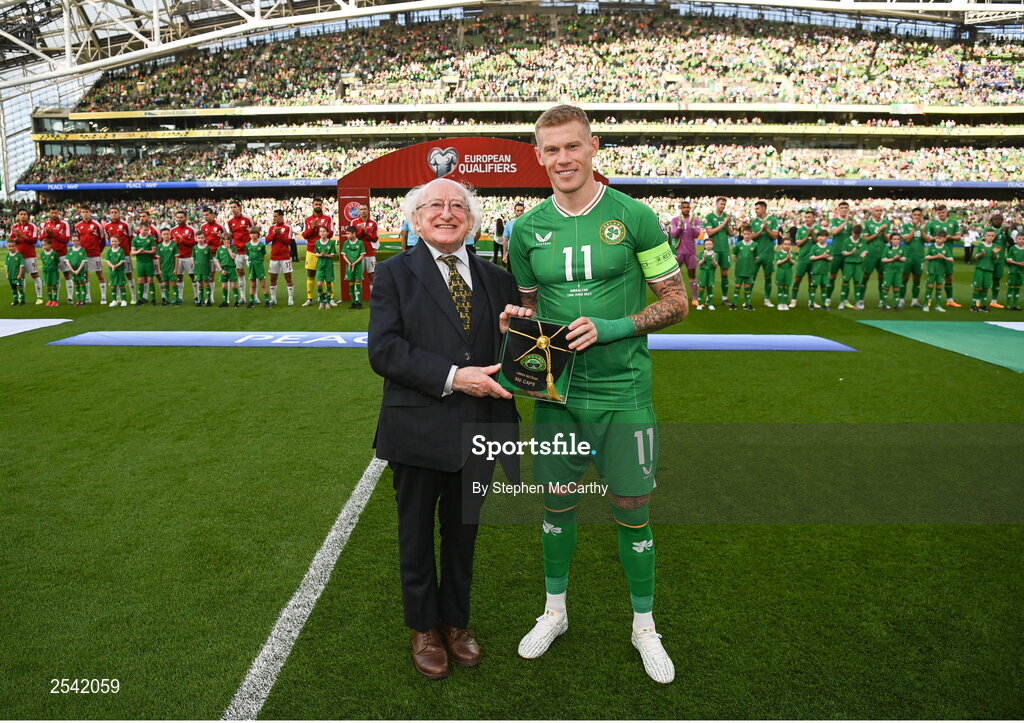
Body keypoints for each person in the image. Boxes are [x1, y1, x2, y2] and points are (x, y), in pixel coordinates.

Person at [510, 105, 687, 685]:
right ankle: (554, 612)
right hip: (557, 395)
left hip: (623, 391)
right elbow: (532, 309)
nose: (563, 159)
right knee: (556, 504)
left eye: (572, 147)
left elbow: (678, 302)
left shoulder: (635, 217)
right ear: (538, 155)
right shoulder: (526, 229)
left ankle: (645, 627)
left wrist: (612, 327)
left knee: (631, 511)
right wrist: (519, 321)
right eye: (551, 149)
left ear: (592, 147)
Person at [367, 177, 527, 681]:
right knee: (415, 537)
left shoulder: (497, 278)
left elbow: (512, 358)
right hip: (416, 431)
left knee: (463, 536)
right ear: (415, 220)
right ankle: (423, 629)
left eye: (458, 206)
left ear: (472, 220)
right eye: (434, 205)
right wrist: (456, 378)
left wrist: (511, 338)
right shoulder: (393, 273)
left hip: (477, 433)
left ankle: (455, 624)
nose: (446, 212)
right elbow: (384, 351)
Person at [924, 204, 962, 308]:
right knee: (933, 278)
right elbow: (927, 238)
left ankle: (950, 300)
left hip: (947, 253)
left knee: (949, 277)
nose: (941, 214)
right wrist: (938, 238)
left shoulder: (953, 223)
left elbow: (959, 237)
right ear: (937, 213)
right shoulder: (932, 224)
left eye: (943, 212)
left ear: (947, 212)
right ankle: (929, 300)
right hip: (935, 255)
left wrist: (950, 237)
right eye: (939, 212)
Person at [302, 199, 334, 307]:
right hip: (311, 250)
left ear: (322, 206)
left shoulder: (327, 219)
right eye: (316, 204)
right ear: (312, 205)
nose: (318, 206)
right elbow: (305, 235)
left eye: (320, 204)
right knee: (311, 274)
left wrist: (322, 230)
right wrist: (312, 228)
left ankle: (331, 298)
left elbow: (331, 233)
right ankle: (310, 298)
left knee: (328, 275)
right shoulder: (307, 220)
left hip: (325, 251)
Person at [704, 196, 734, 308]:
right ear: (716, 204)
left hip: (725, 249)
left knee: (725, 274)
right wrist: (723, 224)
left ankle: (725, 298)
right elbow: (710, 232)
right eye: (721, 204)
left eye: (724, 204)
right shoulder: (710, 217)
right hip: (713, 249)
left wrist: (727, 224)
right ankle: (709, 297)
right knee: (710, 273)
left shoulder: (726, 217)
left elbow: (731, 233)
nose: (723, 206)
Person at [669, 200, 700, 303]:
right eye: (684, 207)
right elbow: (674, 234)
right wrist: (679, 226)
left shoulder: (695, 220)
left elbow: (697, 235)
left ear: (690, 209)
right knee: (674, 275)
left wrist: (692, 226)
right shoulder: (675, 220)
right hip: (679, 252)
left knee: (692, 274)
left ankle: (695, 298)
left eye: (687, 207)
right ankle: (674, 297)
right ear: (681, 209)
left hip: (691, 252)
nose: (686, 209)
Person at [104, 207, 136, 304]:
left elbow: (130, 238)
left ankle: (134, 297)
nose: (114, 214)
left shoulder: (125, 225)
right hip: (113, 256)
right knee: (115, 276)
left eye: (115, 212)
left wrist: (130, 250)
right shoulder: (106, 226)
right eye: (112, 212)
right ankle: (117, 298)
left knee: (128, 275)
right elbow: (108, 239)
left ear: (119, 213)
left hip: (125, 254)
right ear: (109, 214)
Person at [10, 208, 42, 305]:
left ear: (28, 216)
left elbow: (34, 240)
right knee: (20, 277)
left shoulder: (33, 226)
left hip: (30, 255)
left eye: (25, 214)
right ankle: (22, 298)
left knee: (35, 275)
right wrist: (16, 237)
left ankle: (39, 297)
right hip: (18, 256)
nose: (23, 216)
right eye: (21, 214)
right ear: (18, 216)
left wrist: (21, 235)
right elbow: (11, 241)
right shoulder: (14, 227)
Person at [791, 208, 822, 309]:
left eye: (809, 217)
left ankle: (811, 301)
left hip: (814, 259)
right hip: (803, 258)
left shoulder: (818, 229)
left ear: (814, 218)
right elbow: (798, 244)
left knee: (812, 280)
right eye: (806, 217)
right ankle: (793, 300)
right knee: (797, 278)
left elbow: (819, 243)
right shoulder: (800, 229)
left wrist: (812, 235)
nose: (807, 219)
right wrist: (807, 236)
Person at [750, 200, 779, 308]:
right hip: (756, 253)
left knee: (768, 277)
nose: (756, 211)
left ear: (764, 208)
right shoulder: (753, 222)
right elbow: (751, 236)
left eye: (757, 208)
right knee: (751, 276)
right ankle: (747, 299)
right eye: (755, 209)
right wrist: (761, 230)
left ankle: (767, 299)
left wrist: (766, 229)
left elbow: (775, 236)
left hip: (768, 253)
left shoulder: (773, 220)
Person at [42, 207, 74, 303]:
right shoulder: (46, 224)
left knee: (67, 275)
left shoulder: (64, 224)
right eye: (52, 213)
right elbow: (42, 237)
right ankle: (55, 299)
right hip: (50, 255)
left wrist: (54, 233)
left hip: (62, 254)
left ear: (58, 213)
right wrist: (48, 234)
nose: (54, 214)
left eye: (56, 213)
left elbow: (66, 239)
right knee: (54, 277)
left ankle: (70, 297)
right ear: (49, 213)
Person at [76, 206, 107, 304]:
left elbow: (102, 239)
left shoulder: (97, 225)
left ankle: (103, 297)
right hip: (83, 255)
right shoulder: (78, 225)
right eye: (83, 212)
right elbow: (78, 239)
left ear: (90, 213)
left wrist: (99, 250)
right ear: (81, 213)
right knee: (85, 276)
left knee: (100, 275)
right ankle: (88, 297)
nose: (85, 213)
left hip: (95, 254)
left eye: (87, 212)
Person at [227, 201, 257, 305]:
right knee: (240, 273)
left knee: (253, 274)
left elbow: (255, 231)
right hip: (238, 252)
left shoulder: (247, 219)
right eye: (231, 207)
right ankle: (243, 297)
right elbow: (231, 235)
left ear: (240, 207)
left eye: (234, 207)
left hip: (248, 252)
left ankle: (255, 296)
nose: (233, 209)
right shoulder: (230, 221)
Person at [861, 205, 891, 308]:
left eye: (880, 210)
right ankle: (860, 299)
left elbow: (888, 240)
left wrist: (883, 232)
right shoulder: (868, 223)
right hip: (870, 253)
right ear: (873, 212)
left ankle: (882, 301)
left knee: (882, 277)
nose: (879, 212)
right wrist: (878, 232)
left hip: (883, 253)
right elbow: (865, 239)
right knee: (865, 276)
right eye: (877, 210)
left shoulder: (886, 223)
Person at [266, 209, 295, 306]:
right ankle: (273, 299)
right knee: (273, 278)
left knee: (288, 277)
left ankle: (290, 299)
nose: (274, 218)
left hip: (285, 256)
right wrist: (274, 234)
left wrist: (280, 234)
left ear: (281, 216)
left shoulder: (287, 227)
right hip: (274, 257)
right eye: (273, 216)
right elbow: (267, 240)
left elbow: (288, 241)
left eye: (275, 216)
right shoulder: (271, 228)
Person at [900, 207, 927, 309]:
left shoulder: (924, 227)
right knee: (904, 278)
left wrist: (922, 230)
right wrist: (915, 228)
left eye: (918, 215)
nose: (916, 216)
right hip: (907, 256)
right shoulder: (906, 226)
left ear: (921, 216)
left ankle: (915, 301)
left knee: (917, 279)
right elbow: (906, 240)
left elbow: (928, 240)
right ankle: (901, 300)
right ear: (911, 216)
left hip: (919, 257)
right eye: (915, 215)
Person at [171, 210, 198, 305]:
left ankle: (196, 297)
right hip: (178, 258)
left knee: (193, 276)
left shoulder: (192, 230)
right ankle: (179, 298)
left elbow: (195, 243)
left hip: (189, 257)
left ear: (185, 218)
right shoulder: (173, 230)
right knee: (178, 277)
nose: (179, 219)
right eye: (177, 217)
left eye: (181, 217)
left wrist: (183, 241)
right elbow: (171, 244)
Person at [826, 201, 852, 303]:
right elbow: (834, 232)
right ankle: (827, 298)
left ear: (848, 209)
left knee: (846, 278)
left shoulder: (851, 223)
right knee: (832, 276)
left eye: (846, 207)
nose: (844, 209)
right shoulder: (834, 221)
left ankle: (844, 299)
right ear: (838, 209)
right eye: (842, 208)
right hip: (836, 252)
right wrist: (845, 222)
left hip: (848, 254)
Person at [985, 213, 1012, 309]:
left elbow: (1012, 243)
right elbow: (990, 240)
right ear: (991, 221)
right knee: (985, 280)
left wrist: (1007, 233)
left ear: (1002, 221)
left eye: (1000, 219)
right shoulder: (988, 230)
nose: (997, 220)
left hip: (1000, 260)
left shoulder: (1004, 231)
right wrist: (1000, 231)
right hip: (989, 259)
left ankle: (994, 301)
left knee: (997, 279)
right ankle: (980, 300)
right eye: (995, 219)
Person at [200, 207, 228, 299]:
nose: (205, 217)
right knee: (210, 275)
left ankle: (226, 298)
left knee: (224, 275)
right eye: (204, 215)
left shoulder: (220, 226)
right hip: (208, 255)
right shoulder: (203, 227)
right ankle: (210, 296)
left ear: (212, 214)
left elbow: (226, 239)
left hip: (220, 255)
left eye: (207, 215)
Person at [838, 224, 867, 310]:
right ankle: (842, 301)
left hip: (858, 264)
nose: (856, 236)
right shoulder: (847, 241)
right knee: (845, 282)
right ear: (852, 232)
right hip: (848, 264)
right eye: (855, 234)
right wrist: (851, 253)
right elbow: (843, 253)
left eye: (858, 234)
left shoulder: (862, 240)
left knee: (857, 282)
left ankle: (858, 301)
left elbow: (865, 250)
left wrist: (863, 254)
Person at [923, 229, 953, 312]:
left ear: (944, 239)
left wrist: (944, 257)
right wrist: (936, 256)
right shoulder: (932, 246)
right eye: (936, 238)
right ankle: (926, 305)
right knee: (929, 287)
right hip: (932, 270)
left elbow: (951, 259)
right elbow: (926, 257)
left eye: (940, 238)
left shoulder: (946, 247)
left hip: (941, 271)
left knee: (939, 287)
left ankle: (937, 305)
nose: (937, 240)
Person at [971, 229, 999, 312]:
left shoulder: (995, 246)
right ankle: (974, 305)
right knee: (977, 287)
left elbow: (995, 259)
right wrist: (981, 254)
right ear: (985, 236)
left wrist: (995, 254)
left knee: (986, 287)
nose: (990, 237)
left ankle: (983, 305)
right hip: (980, 268)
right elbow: (976, 257)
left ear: (994, 237)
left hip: (989, 269)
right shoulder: (981, 245)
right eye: (988, 235)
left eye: (992, 236)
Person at [731, 225, 757, 310]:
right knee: (737, 285)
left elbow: (756, 257)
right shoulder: (738, 244)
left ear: (751, 234)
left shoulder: (755, 245)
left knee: (748, 286)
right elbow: (735, 256)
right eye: (745, 234)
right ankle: (734, 304)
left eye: (748, 234)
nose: (746, 235)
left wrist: (750, 264)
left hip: (749, 270)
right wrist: (739, 263)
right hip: (740, 269)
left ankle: (747, 304)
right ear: (742, 234)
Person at [132, 222, 158, 306]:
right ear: (140, 229)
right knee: (140, 280)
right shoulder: (135, 239)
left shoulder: (150, 239)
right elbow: (132, 252)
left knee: (150, 280)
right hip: (140, 262)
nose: (146, 231)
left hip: (148, 262)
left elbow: (154, 251)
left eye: (147, 230)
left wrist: (145, 251)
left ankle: (153, 299)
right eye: (144, 230)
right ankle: (141, 299)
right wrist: (138, 252)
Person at [354, 203, 379, 290]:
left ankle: (373, 298)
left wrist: (366, 233)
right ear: (359, 211)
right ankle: (357, 299)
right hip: (358, 253)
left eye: (365, 209)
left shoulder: (373, 223)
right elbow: (353, 237)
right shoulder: (354, 222)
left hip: (370, 253)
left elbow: (375, 239)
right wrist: (362, 232)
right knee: (358, 276)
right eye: (361, 209)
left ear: (368, 211)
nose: (363, 211)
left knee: (372, 276)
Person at [340, 225, 365, 309]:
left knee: (358, 284)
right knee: (351, 284)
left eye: (348, 233)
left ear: (354, 234)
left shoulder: (360, 243)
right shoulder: (346, 243)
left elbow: (362, 255)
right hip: (349, 266)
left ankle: (359, 302)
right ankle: (353, 302)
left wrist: (354, 263)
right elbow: (344, 255)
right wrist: (349, 263)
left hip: (358, 266)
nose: (347, 235)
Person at [314, 225, 337, 310]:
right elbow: (316, 253)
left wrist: (325, 255)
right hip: (320, 266)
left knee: (328, 283)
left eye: (324, 231)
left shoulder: (331, 243)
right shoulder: (317, 243)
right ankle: (322, 301)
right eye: (321, 231)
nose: (322, 233)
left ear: (327, 233)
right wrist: (320, 255)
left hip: (328, 266)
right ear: (319, 233)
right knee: (319, 284)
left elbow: (332, 255)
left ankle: (327, 302)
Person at [881, 232, 906, 311]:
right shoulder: (887, 249)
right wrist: (892, 259)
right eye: (894, 239)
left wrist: (899, 258)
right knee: (886, 287)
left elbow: (904, 259)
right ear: (891, 240)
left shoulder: (902, 249)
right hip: (889, 271)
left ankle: (896, 305)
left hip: (898, 271)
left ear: (900, 240)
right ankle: (884, 304)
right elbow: (883, 259)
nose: (896, 241)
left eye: (898, 239)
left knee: (896, 287)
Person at [808, 229, 833, 310]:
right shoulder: (814, 247)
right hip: (816, 270)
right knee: (814, 287)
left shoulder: (829, 248)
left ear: (826, 237)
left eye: (822, 236)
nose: (820, 238)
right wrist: (821, 256)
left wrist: (828, 257)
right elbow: (811, 257)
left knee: (824, 287)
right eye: (818, 236)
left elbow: (832, 258)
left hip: (825, 271)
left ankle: (823, 304)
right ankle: (811, 304)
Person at [245, 233, 270, 308]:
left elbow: (263, 255)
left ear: (258, 235)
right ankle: (251, 301)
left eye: (254, 233)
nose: (252, 235)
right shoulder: (247, 245)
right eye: (251, 233)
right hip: (252, 265)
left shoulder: (261, 245)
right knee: (252, 284)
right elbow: (248, 254)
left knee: (263, 284)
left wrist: (259, 261)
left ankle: (267, 301)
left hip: (259, 265)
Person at [156, 228, 179, 305]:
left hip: (172, 268)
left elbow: (176, 258)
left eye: (167, 234)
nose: (166, 236)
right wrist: (159, 269)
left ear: (170, 235)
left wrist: (176, 268)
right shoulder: (159, 246)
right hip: (163, 268)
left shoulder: (174, 245)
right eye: (164, 234)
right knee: (165, 283)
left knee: (174, 283)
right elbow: (158, 259)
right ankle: (167, 300)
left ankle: (176, 300)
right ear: (161, 236)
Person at [104, 236, 128, 307]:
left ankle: (123, 300)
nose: (114, 243)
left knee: (121, 285)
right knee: (113, 285)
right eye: (112, 241)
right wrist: (112, 266)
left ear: (118, 242)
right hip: (112, 271)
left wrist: (116, 266)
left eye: (115, 241)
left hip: (120, 271)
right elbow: (107, 261)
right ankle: (114, 300)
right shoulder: (109, 251)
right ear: (110, 242)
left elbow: (122, 260)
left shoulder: (121, 251)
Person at [501, 201, 525, 271]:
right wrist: (504, 255)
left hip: (524, 254)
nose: (519, 212)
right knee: (510, 274)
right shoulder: (509, 224)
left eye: (521, 210)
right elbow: (505, 239)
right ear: (514, 211)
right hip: (512, 253)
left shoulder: (528, 224)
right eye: (518, 210)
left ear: (524, 211)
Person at [215, 238, 239, 307]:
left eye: (228, 239)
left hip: (231, 268)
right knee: (224, 286)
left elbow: (233, 257)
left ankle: (236, 301)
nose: (226, 241)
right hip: (223, 269)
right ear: (222, 240)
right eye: (224, 239)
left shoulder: (233, 248)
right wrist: (220, 270)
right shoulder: (219, 249)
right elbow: (217, 260)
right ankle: (225, 301)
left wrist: (228, 248)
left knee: (233, 285)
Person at [695, 237, 717, 310]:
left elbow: (715, 265)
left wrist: (713, 259)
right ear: (704, 245)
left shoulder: (715, 254)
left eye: (710, 244)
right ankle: (699, 304)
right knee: (701, 288)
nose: (708, 245)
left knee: (710, 288)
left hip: (711, 272)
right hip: (703, 272)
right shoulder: (702, 253)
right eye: (706, 244)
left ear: (713, 245)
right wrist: (704, 258)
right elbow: (699, 264)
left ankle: (710, 304)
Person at [66, 235, 89, 306]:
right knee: (76, 285)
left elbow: (83, 261)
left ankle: (83, 300)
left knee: (82, 284)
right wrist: (72, 270)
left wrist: (78, 270)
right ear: (71, 241)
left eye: (76, 240)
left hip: (80, 271)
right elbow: (67, 261)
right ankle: (78, 300)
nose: (75, 242)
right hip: (73, 271)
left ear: (79, 241)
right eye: (73, 241)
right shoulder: (70, 250)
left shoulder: (82, 250)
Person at [775, 237, 795, 310]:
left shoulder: (792, 253)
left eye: (789, 244)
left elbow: (793, 263)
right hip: (781, 272)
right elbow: (778, 263)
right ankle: (780, 303)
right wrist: (786, 259)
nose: (787, 246)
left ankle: (785, 303)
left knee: (786, 287)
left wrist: (790, 259)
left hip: (789, 272)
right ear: (782, 245)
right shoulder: (779, 253)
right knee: (780, 287)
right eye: (785, 244)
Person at [193, 235, 213, 306]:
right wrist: (194, 268)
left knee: (207, 283)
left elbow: (210, 260)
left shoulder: (208, 248)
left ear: (204, 238)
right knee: (199, 284)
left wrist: (210, 269)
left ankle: (208, 300)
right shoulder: (195, 247)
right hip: (198, 269)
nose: (200, 239)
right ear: (196, 239)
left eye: (202, 238)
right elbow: (193, 259)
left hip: (205, 269)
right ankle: (200, 300)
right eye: (199, 238)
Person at [39, 237, 60, 306]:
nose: (44, 246)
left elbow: (57, 261)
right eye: (43, 245)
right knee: (48, 286)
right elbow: (43, 261)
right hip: (46, 272)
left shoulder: (54, 253)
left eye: (45, 245)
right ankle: (50, 299)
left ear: (50, 245)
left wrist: (53, 268)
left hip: (53, 272)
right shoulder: (42, 253)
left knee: (53, 285)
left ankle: (55, 300)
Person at [1006, 233, 1024, 311]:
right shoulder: (1012, 248)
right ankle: (1008, 304)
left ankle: (1015, 305)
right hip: (1013, 271)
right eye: (1019, 238)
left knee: (1017, 288)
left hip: (1021, 272)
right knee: (1011, 288)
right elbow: (1008, 259)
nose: (1021, 240)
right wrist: (1018, 263)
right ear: (1016, 239)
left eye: (1023, 239)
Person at [5, 239, 25, 305]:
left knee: (19, 288)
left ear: (15, 246)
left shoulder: (19, 255)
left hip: (17, 275)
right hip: (11, 275)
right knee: (13, 289)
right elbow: (6, 266)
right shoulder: (8, 255)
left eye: (12, 246)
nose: (11, 248)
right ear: (7, 247)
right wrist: (7, 274)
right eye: (9, 246)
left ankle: (22, 301)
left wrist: (20, 274)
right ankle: (15, 300)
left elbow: (21, 266)